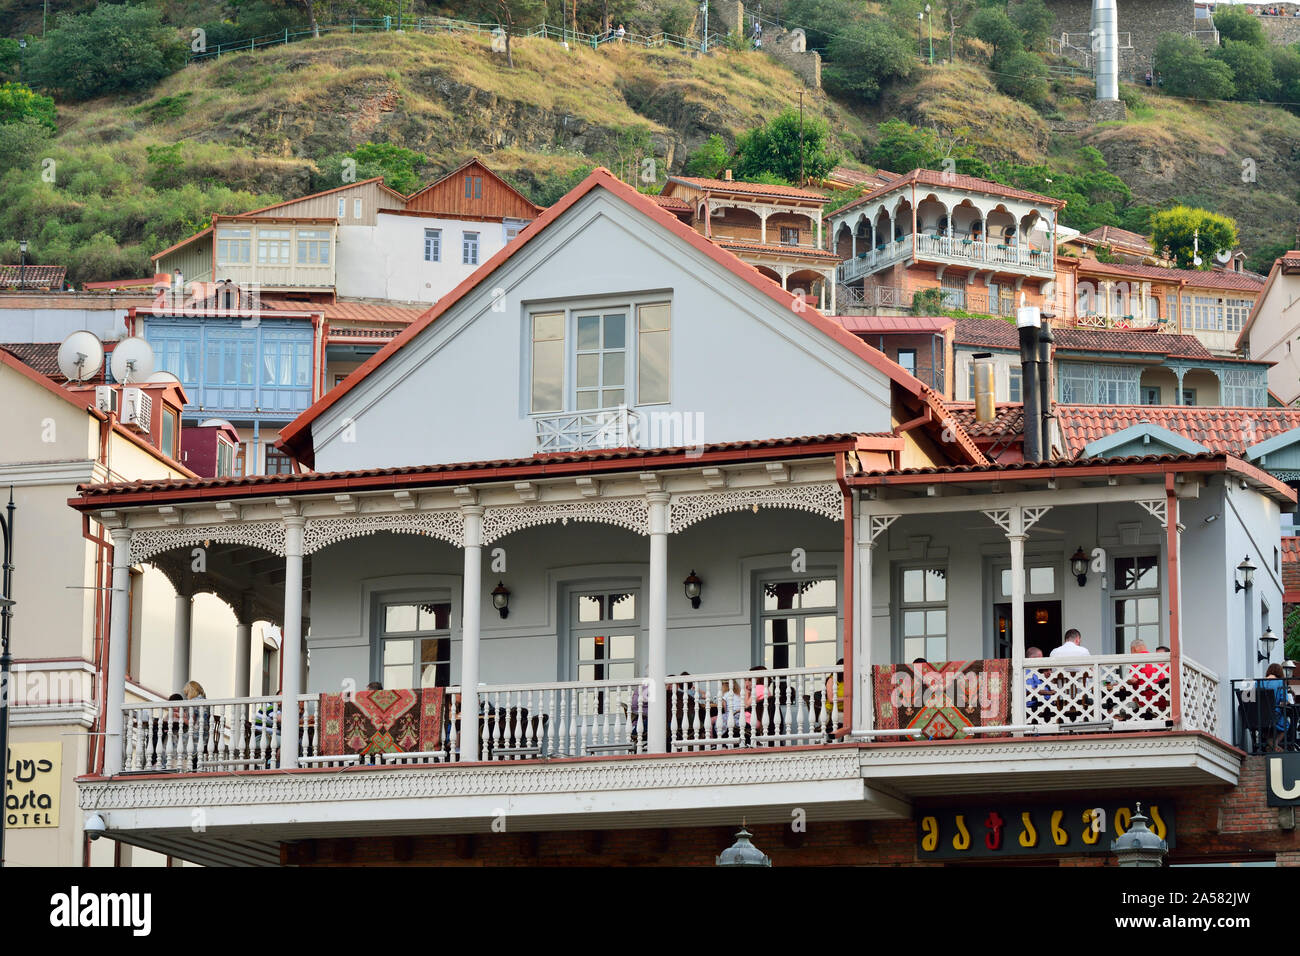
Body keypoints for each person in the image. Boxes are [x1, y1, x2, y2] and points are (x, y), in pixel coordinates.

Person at [1260, 663, 1292, 752]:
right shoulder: (1280, 682)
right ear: (1279, 672)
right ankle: (1274, 742)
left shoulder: (1258, 682)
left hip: (1258, 717)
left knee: (1266, 726)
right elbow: (1283, 702)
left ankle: (1269, 744)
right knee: (1286, 723)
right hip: (1274, 715)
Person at [824, 659, 845, 734]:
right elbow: (831, 699)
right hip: (829, 712)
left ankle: (845, 740)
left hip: (843, 711)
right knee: (850, 720)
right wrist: (846, 699)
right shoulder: (831, 679)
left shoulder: (846, 680)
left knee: (852, 719)